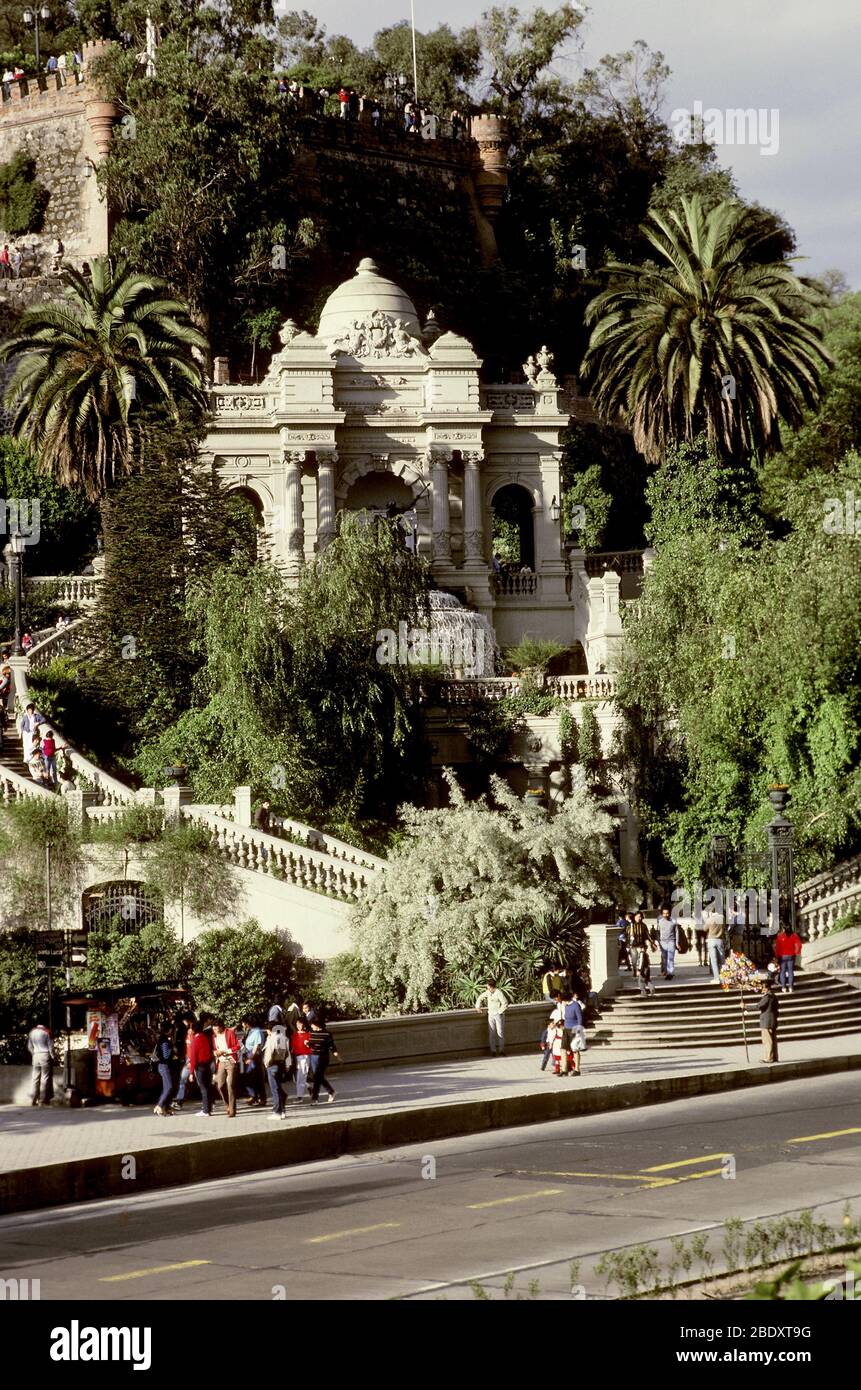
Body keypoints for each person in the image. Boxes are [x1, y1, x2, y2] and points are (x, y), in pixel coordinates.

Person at [263, 1014, 290, 1119]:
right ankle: (282, 1110)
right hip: (281, 1063)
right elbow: (288, 1052)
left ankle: (277, 1111)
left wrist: (266, 1063)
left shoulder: (272, 1039)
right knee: (278, 1087)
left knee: (275, 1089)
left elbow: (269, 1053)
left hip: (273, 1064)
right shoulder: (284, 1038)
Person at [212, 1019, 240, 1117]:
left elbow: (237, 1046)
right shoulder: (214, 1037)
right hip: (221, 1062)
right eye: (213, 1029)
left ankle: (232, 1109)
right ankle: (227, 1104)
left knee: (230, 1084)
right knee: (220, 1085)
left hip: (230, 1060)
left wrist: (225, 1051)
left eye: (216, 1029)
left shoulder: (229, 1033)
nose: (215, 1031)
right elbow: (215, 1049)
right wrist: (215, 1052)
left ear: (220, 1027)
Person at [308, 1018, 340, 1103]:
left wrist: (336, 1054)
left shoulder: (327, 1034)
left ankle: (315, 1097)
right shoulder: (311, 1033)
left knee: (317, 1076)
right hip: (313, 1056)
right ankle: (331, 1091)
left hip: (323, 1057)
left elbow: (331, 1045)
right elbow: (311, 1044)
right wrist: (307, 1044)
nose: (311, 1026)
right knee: (317, 1077)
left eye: (312, 1024)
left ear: (317, 1025)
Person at [187, 1018, 214, 1116]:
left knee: (203, 1088)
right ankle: (208, 1108)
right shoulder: (205, 1037)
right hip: (207, 1064)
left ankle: (206, 1110)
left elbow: (193, 1056)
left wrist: (191, 1072)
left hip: (200, 1066)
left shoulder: (196, 1039)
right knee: (208, 1087)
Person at [475, 978, 508, 1056]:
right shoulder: (488, 992)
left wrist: (499, 1012)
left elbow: (505, 1003)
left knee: (500, 1033)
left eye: (488, 987)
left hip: (498, 1015)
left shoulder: (498, 993)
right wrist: (478, 1006)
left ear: (492, 986)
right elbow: (480, 997)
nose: (488, 988)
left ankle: (501, 1051)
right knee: (491, 1033)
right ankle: (493, 1051)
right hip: (491, 1015)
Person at [750, 979, 779, 1063]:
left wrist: (745, 1006)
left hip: (767, 1021)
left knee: (767, 1041)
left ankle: (769, 1058)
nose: (761, 990)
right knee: (773, 1040)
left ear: (765, 988)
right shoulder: (774, 996)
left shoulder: (767, 997)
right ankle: (774, 1057)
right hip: (772, 1019)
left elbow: (758, 1006)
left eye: (762, 988)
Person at [240, 1015, 266, 1105]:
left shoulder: (257, 1032)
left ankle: (261, 1097)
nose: (242, 1024)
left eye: (243, 1022)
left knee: (257, 1078)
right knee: (249, 1077)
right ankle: (253, 1095)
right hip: (248, 1054)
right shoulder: (249, 1031)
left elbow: (257, 1047)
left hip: (255, 1056)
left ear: (247, 1023)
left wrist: (251, 1058)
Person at [28, 1020, 55, 1106]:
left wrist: (34, 1053)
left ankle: (33, 1099)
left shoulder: (32, 1032)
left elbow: (29, 1046)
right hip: (45, 1055)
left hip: (35, 1055)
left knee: (35, 1078)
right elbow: (51, 1047)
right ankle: (42, 1100)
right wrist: (53, 1056)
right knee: (45, 1078)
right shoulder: (47, 1032)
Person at [152, 1026, 175, 1116]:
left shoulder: (162, 1040)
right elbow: (165, 1056)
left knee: (167, 1087)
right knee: (169, 1087)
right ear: (168, 1030)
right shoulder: (165, 1042)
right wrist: (172, 1050)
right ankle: (159, 1106)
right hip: (164, 1066)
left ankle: (166, 1107)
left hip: (162, 1066)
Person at [773, 925, 803, 993]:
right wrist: (796, 952)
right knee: (790, 971)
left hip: (782, 956)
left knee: (782, 972)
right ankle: (791, 987)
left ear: (784, 929)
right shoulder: (794, 935)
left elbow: (777, 947)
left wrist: (777, 956)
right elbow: (799, 945)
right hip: (791, 955)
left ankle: (783, 987)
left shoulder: (780, 936)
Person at [291, 1016, 313, 1098]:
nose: (299, 1026)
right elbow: (293, 1047)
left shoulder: (308, 1034)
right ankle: (308, 1087)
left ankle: (299, 1095)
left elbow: (311, 1047)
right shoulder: (295, 1034)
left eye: (300, 1024)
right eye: (297, 1024)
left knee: (301, 1076)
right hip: (296, 1057)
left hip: (304, 1056)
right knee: (296, 1078)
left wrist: (308, 1044)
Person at [657, 905, 679, 980]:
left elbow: (677, 932)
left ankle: (670, 973)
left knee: (671, 958)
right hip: (663, 942)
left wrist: (677, 943)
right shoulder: (659, 921)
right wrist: (658, 942)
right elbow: (658, 932)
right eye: (664, 913)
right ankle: (666, 971)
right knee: (664, 958)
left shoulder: (673, 921)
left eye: (667, 913)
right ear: (662, 914)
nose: (666, 915)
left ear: (669, 913)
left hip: (671, 941)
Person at [705, 910, 726, 983]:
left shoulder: (709, 919)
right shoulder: (722, 918)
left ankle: (716, 978)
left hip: (711, 940)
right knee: (722, 960)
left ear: (711, 911)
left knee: (714, 960)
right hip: (719, 940)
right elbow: (724, 928)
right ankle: (724, 977)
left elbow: (705, 929)